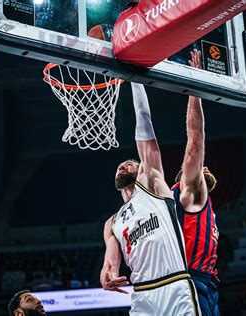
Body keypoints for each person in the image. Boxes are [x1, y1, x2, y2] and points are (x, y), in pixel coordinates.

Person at [100, 82, 201, 315]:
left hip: (174, 284)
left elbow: (144, 120)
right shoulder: (112, 223)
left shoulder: (152, 184)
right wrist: (108, 276)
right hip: (143, 294)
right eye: (120, 165)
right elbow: (111, 262)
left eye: (131, 163)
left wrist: (134, 80)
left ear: (142, 170)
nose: (123, 165)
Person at [171, 49, 220, 316]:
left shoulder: (203, 206)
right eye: (199, 169)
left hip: (204, 284)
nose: (204, 166)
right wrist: (195, 87)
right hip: (191, 281)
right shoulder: (190, 193)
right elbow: (195, 141)